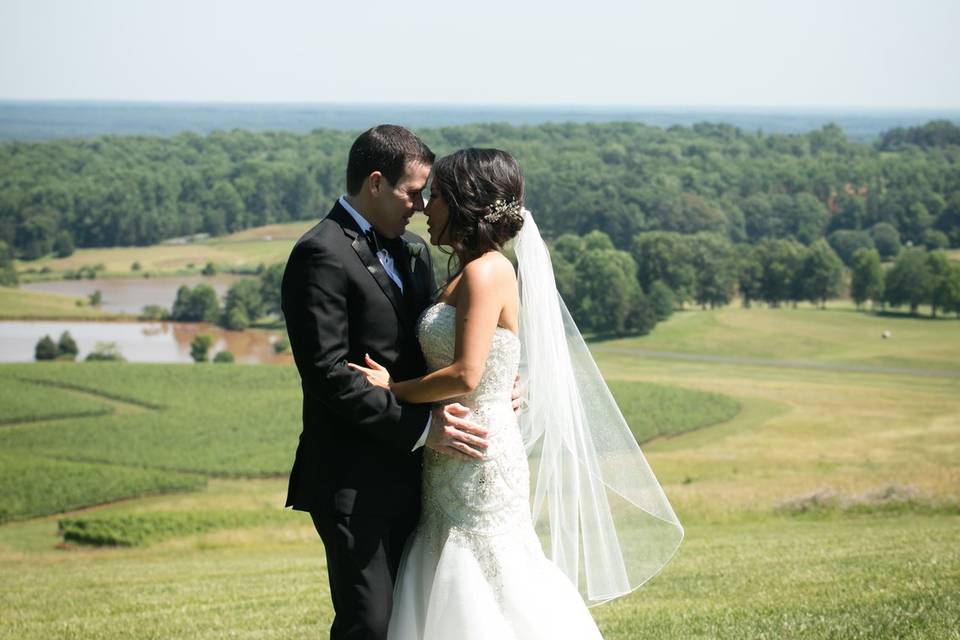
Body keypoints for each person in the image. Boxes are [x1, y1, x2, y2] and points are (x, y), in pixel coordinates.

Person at [350, 149, 683, 639]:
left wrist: (391, 389)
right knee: (452, 566)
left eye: (436, 197)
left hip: (478, 456)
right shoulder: (465, 271)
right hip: (455, 450)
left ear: (464, 205)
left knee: (488, 574)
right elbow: (487, 359)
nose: (426, 208)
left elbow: (465, 374)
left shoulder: (487, 271)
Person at [281, 126, 501, 640]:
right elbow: (330, 378)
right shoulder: (319, 254)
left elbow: (439, 349)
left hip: (421, 479)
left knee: (421, 617)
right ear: (376, 183)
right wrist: (424, 428)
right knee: (371, 623)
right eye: (413, 191)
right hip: (351, 480)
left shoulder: (416, 253)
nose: (422, 205)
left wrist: (500, 381)